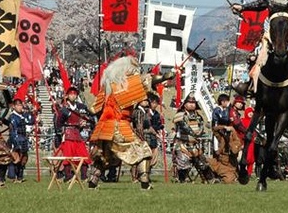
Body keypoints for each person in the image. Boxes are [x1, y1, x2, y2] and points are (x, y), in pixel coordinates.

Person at [88, 56, 169, 190]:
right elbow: (147, 79)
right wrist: (164, 77)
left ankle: (93, 181)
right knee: (143, 151)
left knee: (105, 157)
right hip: (120, 126)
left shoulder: (107, 88)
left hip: (104, 128)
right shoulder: (127, 84)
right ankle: (144, 181)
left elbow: (92, 108)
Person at [172, 93, 216, 183]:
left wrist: (198, 133)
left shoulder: (198, 116)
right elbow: (184, 126)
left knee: (202, 162)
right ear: (185, 104)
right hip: (182, 144)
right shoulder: (180, 115)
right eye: (189, 102)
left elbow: (201, 127)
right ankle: (182, 179)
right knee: (183, 161)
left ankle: (210, 179)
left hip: (195, 144)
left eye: (193, 103)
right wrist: (194, 133)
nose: (192, 104)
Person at [54, 86, 93, 182]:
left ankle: (84, 176)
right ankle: (68, 176)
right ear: (67, 96)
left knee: (83, 154)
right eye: (71, 94)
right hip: (67, 134)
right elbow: (58, 124)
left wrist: (85, 123)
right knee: (68, 155)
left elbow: (89, 119)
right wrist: (62, 131)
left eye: (75, 94)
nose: (73, 96)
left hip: (78, 134)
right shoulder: (64, 109)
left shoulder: (81, 107)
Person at [7, 98, 33, 183]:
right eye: (17, 105)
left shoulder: (23, 115)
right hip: (16, 139)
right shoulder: (13, 117)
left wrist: (33, 112)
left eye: (20, 105)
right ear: (14, 106)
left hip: (23, 138)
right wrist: (16, 143)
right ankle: (12, 177)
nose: (19, 107)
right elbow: (13, 131)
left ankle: (20, 177)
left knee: (23, 159)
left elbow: (30, 121)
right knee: (15, 159)